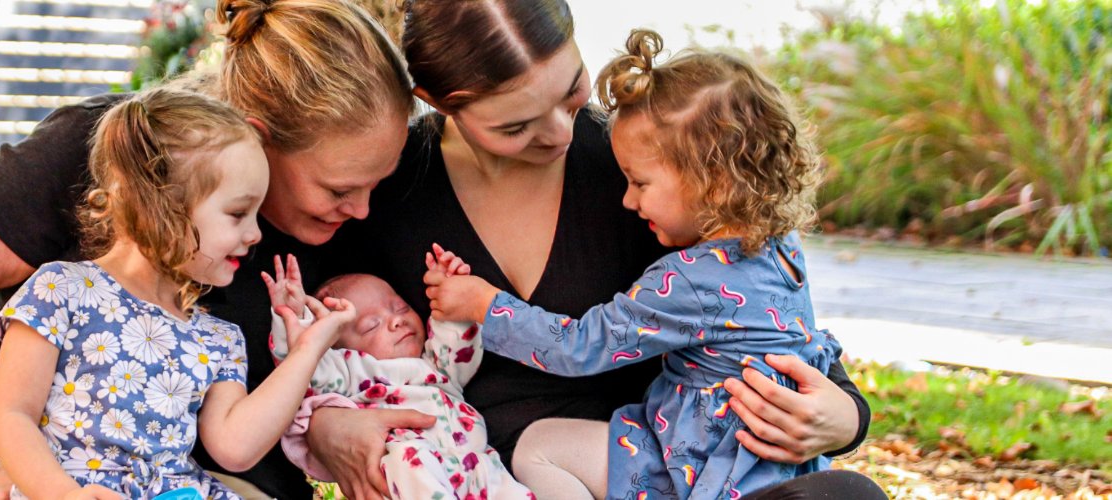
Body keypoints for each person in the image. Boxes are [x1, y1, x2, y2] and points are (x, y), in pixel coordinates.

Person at [0, 0, 416, 496]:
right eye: (340, 189)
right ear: (261, 140)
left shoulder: (226, 329)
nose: (363, 210)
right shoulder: (110, 157)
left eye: (377, 185)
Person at [305, 2, 881, 499]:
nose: (560, 133)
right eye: (516, 125)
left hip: (657, 465)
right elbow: (262, 346)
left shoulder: (654, 163)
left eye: (572, 88)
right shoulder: (383, 187)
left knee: (847, 494)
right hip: (472, 474)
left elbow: (777, 333)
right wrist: (322, 427)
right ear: (435, 100)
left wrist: (844, 417)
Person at [0, 89, 358, 499]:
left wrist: (308, 349)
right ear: (159, 205)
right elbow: (11, 414)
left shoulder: (217, 338)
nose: (254, 235)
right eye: (237, 214)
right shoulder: (61, 289)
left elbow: (236, 448)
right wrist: (60, 493)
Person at [263, 255, 532, 499]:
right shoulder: (351, 371)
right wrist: (292, 318)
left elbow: (457, 343)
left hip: (475, 465)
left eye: (400, 308)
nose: (396, 321)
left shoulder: (436, 365)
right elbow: (301, 367)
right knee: (406, 459)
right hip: (408, 467)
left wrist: (449, 292)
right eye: (372, 325)